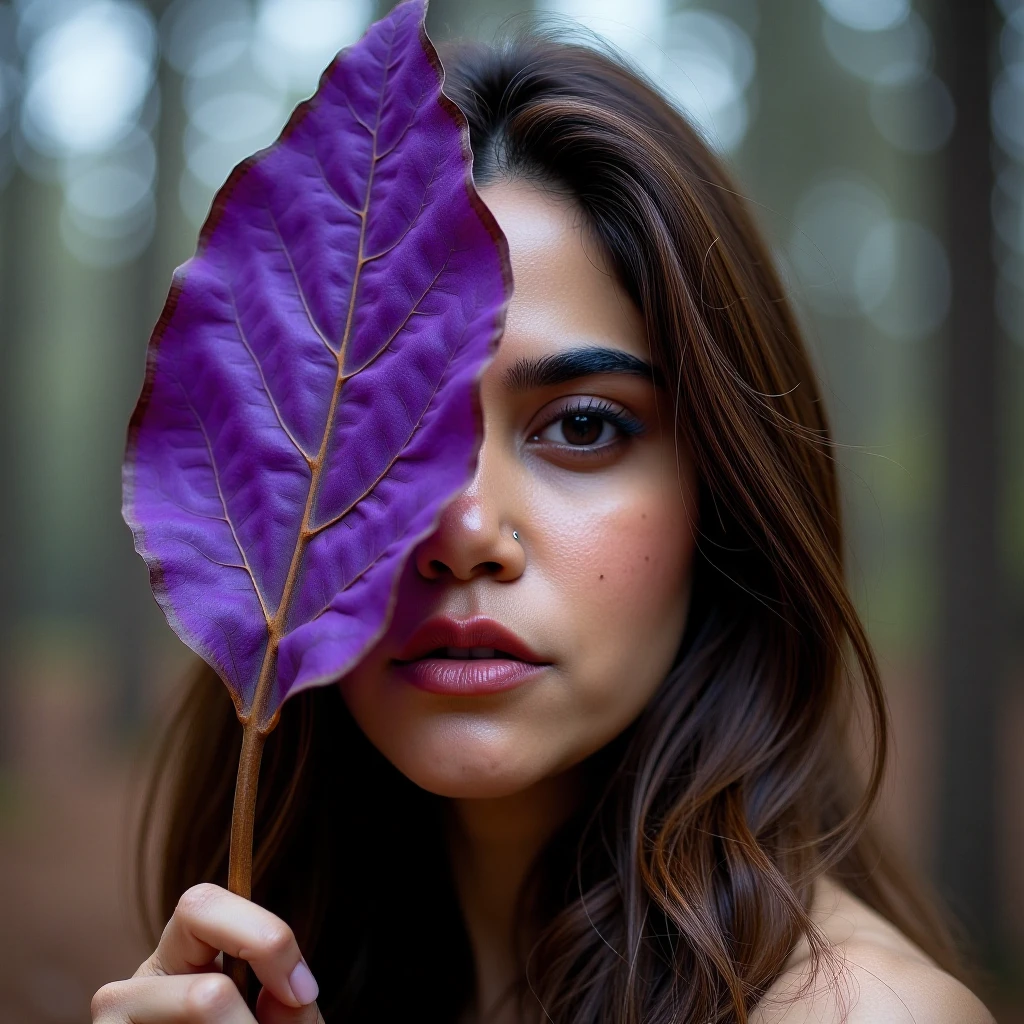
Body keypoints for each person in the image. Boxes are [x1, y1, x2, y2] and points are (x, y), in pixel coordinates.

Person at [91, 30, 995, 1024]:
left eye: (581, 426)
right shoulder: (284, 973)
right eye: (389, 435)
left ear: (722, 497)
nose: (467, 528)